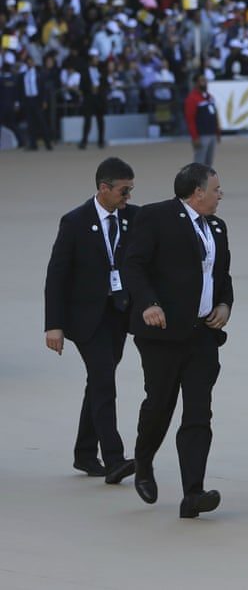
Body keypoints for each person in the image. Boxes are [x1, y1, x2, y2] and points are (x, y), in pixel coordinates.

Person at [122, 163, 233, 518]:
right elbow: (133, 265)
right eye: (216, 189)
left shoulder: (217, 226)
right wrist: (148, 304)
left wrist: (225, 304)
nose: (220, 195)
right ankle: (143, 460)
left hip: (203, 335)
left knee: (199, 412)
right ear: (197, 192)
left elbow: (222, 274)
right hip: (162, 334)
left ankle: (193, 494)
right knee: (160, 404)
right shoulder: (156, 217)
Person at [43, 158, 138, 484]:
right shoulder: (75, 222)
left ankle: (84, 453)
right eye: (123, 191)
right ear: (103, 188)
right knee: (103, 380)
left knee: (99, 380)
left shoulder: (133, 218)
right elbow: (56, 276)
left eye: (131, 190)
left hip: (118, 314)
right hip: (84, 318)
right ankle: (113, 459)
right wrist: (53, 324)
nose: (128, 197)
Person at [183, 74, 220, 166]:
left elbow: (215, 115)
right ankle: (196, 180)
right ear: (196, 83)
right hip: (201, 135)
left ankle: (206, 180)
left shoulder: (210, 97)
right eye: (202, 80)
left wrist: (218, 131)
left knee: (209, 163)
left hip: (212, 134)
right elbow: (190, 120)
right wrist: (195, 137)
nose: (205, 83)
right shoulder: (192, 99)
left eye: (206, 80)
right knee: (199, 164)